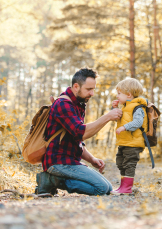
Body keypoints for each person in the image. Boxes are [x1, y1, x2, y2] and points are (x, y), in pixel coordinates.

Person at [35, 68, 122, 196]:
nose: (92, 93)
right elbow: (80, 133)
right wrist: (108, 117)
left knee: (108, 187)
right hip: (58, 162)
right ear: (76, 86)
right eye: (89, 89)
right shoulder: (63, 104)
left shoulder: (78, 104)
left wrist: (92, 159)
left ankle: (54, 181)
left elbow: (76, 140)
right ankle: (52, 180)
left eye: (93, 89)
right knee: (102, 189)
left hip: (69, 161)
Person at [110, 78, 148, 195]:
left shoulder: (138, 107)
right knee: (120, 162)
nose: (117, 96)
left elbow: (138, 122)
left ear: (129, 94)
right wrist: (115, 108)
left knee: (129, 164)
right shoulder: (126, 107)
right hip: (125, 142)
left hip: (133, 143)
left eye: (119, 94)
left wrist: (124, 127)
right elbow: (120, 118)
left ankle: (126, 188)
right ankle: (122, 187)